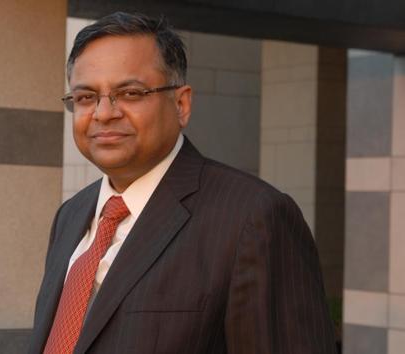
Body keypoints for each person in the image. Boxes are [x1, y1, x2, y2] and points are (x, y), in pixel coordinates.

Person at [29, 12, 337, 354]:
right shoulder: (70, 216)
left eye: (130, 93)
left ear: (181, 104)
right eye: (86, 97)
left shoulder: (252, 218)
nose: (103, 113)